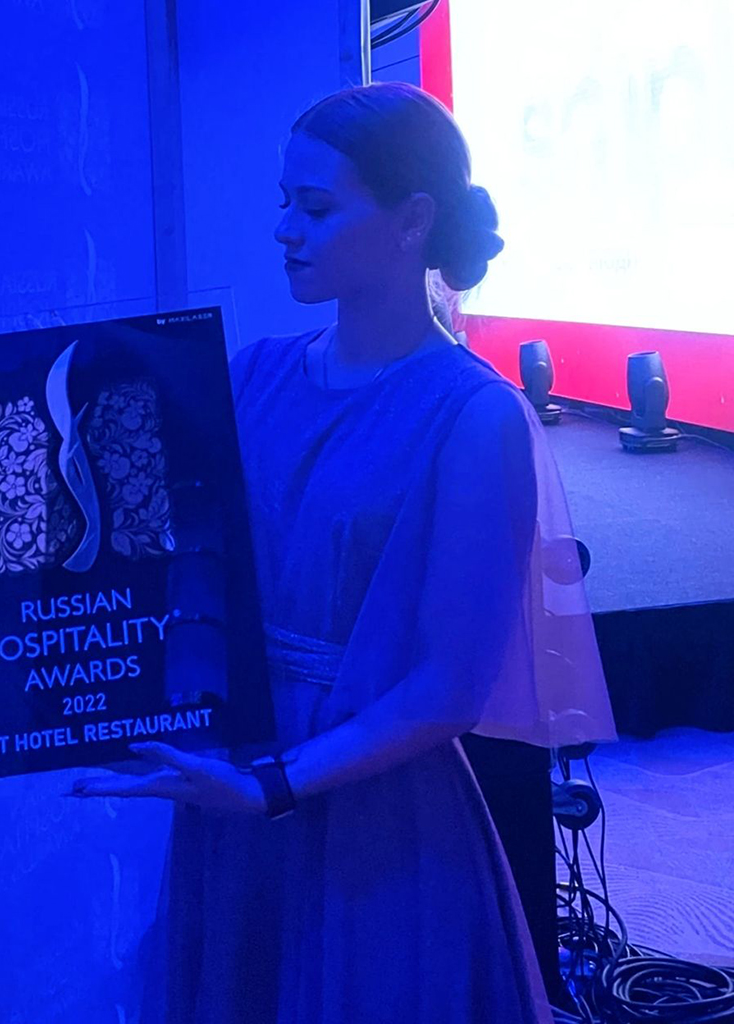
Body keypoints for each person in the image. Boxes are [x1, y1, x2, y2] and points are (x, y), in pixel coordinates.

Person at [69, 82, 617, 1023]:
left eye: (316, 208)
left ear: (412, 221)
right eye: (284, 202)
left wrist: (274, 785)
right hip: (236, 779)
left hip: (372, 809)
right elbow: (169, 564)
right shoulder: (251, 374)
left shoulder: (474, 416)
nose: (285, 229)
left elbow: (448, 687)